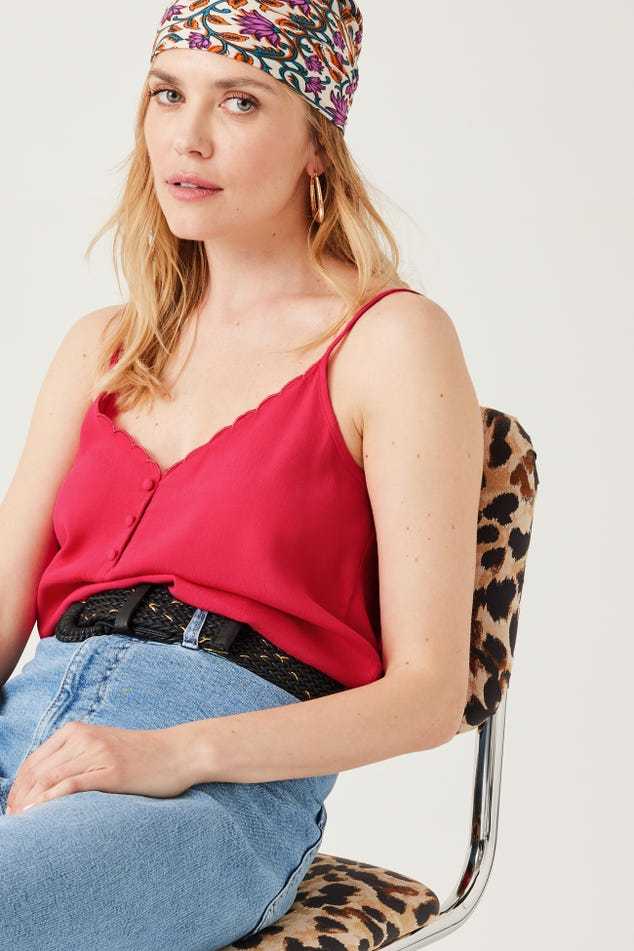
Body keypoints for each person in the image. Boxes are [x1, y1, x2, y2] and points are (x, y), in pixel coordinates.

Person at [0, 2, 484, 948]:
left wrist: (173, 752)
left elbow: (429, 694)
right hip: (27, 737)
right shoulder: (102, 346)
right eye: (167, 94)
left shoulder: (391, 343)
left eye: (241, 102)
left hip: (210, 791)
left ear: (318, 145)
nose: (188, 137)